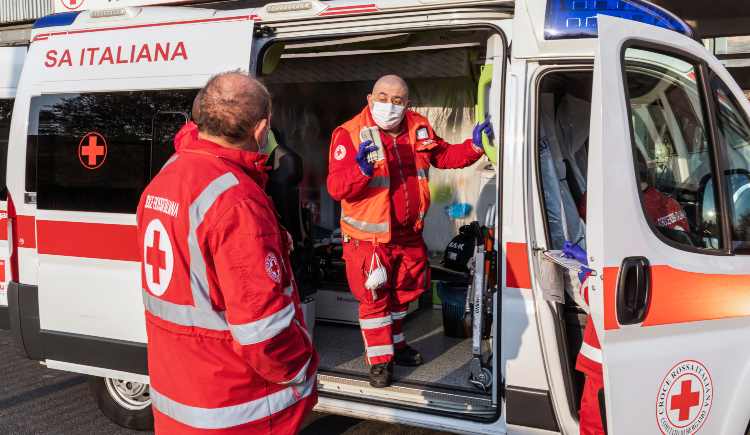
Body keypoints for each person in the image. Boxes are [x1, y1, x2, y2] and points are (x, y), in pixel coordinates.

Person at [137, 72, 317, 434]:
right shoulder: (236, 202)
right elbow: (264, 334)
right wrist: (304, 368)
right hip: (237, 409)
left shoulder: (168, 176)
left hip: (180, 401)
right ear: (261, 128)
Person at [326, 74, 491, 387]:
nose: (390, 105)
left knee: (403, 295)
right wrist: (360, 171)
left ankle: (397, 346)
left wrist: (474, 146)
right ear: (369, 99)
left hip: (407, 234)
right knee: (375, 298)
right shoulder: (348, 133)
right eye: (383, 97)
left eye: (398, 100)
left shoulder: (417, 126)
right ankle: (380, 361)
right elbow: (336, 188)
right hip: (369, 239)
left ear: (408, 104)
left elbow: (442, 156)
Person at [574, 152, 689, 435]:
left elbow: (610, 288)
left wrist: (586, 278)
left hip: (607, 349)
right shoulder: (668, 204)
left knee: (596, 424)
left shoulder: (604, 204)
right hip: (655, 338)